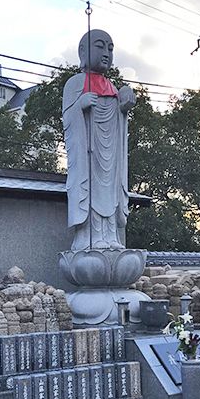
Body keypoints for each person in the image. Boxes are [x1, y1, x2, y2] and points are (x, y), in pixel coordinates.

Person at [62, 29, 136, 250]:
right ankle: (89, 238)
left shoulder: (112, 87)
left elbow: (119, 124)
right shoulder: (75, 84)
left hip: (111, 156)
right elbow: (68, 120)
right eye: (100, 46)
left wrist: (124, 108)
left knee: (111, 191)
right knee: (91, 189)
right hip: (88, 154)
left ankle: (111, 236)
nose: (106, 53)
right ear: (83, 51)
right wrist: (80, 105)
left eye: (110, 49)